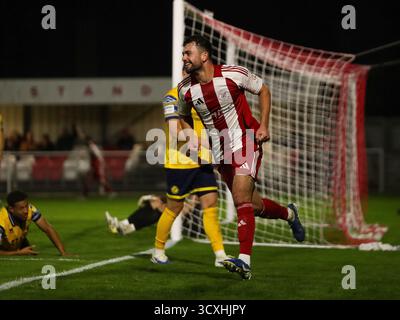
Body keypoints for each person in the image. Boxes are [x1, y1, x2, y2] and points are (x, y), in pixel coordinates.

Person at [178, 34, 305, 280]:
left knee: (239, 198)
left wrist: (264, 125)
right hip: (220, 150)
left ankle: (244, 261)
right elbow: (182, 115)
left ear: (204, 56)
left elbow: (264, 90)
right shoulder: (186, 89)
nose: (184, 58)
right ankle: (289, 214)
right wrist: (190, 135)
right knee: (252, 205)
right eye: (183, 53)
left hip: (246, 139)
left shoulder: (233, 74)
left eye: (188, 53)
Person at [151, 69, 230, 268]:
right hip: (180, 162)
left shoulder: (203, 95)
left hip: (202, 161)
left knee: (210, 204)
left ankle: (220, 255)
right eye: (188, 69)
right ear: (184, 72)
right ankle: (158, 250)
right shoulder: (172, 97)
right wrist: (208, 142)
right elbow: (175, 133)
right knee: (174, 208)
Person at [0, 190, 71, 256]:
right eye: (21, 208)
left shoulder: (30, 209)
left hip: (19, 242)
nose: (26, 211)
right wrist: (18, 252)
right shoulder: (2, 221)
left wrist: (63, 253)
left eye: (26, 206)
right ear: (11, 209)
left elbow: (48, 229)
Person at [104, 194, 198, 236]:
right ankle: (124, 224)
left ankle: (125, 227)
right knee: (156, 203)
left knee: (163, 207)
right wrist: (152, 197)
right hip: (176, 210)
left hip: (189, 221)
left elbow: (190, 207)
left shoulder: (197, 189)